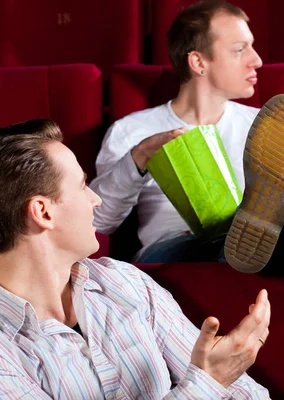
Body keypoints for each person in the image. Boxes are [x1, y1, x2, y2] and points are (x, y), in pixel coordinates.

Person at [0, 119, 270, 398]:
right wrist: (210, 381)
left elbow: (244, 392)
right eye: (82, 185)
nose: (96, 200)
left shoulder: (125, 281)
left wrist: (219, 378)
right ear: (43, 213)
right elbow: (216, 381)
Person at [90, 0, 263, 262]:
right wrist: (139, 158)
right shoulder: (132, 130)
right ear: (198, 61)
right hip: (170, 250)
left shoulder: (262, 124)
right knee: (237, 243)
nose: (257, 60)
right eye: (240, 50)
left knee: (247, 238)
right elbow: (98, 220)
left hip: (248, 240)